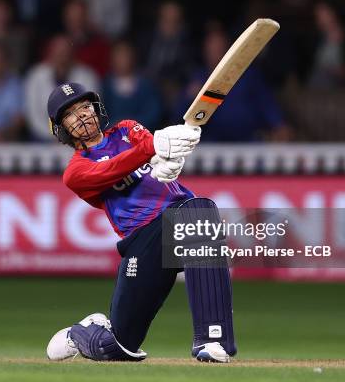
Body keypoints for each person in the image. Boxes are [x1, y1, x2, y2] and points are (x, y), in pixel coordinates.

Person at [44, 83, 236, 364]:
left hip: (178, 217)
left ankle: (211, 339)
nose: (82, 116)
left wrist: (168, 160)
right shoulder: (76, 172)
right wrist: (156, 146)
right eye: (71, 114)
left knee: (200, 211)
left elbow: (151, 151)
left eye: (84, 107)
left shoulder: (126, 129)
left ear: (96, 108)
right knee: (121, 347)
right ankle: (82, 334)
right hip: (142, 243)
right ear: (60, 127)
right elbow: (113, 168)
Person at [179, 27, 290, 141]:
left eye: (219, 47)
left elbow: (266, 102)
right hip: (211, 143)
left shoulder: (247, 74)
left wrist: (278, 123)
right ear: (204, 50)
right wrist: (189, 97)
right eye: (212, 47)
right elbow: (179, 118)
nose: (216, 51)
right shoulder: (198, 78)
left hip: (249, 141)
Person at [24, 35, 99, 140]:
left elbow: (92, 111)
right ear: (50, 53)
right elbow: (33, 116)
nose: (62, 56)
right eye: (58, 52)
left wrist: (71, 136)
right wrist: (55, 135)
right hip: (43, 138)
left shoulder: (87, 76)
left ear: (72, 54)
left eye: (65, 52)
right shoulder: (36, 76)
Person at [102, 40, 161, 130]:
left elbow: (153, 114)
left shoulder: (145, 85)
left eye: (125, 55)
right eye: (118, 55)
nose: (122, 60)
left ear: (133, 57)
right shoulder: (105, 85)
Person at [62, 0, 110, 77]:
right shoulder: (56, 43)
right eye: (71, 15)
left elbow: (103, 72)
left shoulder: (99, 44)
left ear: (86, 16)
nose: (75, 18)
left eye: (79, 15)